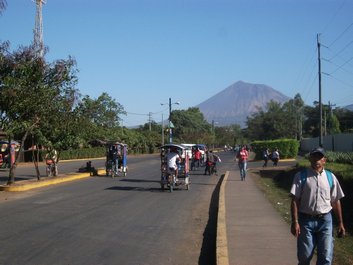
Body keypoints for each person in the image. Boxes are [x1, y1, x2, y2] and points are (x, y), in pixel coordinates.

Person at [290, 147, 345, 265]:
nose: (317, 160)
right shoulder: (301, 176)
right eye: (314, 156)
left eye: (319, 157)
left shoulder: (331, 177)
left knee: (326, 257)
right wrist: (295, 221)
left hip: (325, 221)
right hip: (305, 221)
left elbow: (336, 201)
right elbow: (295, 200)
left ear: (324, 160)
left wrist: (340, 223)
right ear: (310, 158)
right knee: (304, 257)